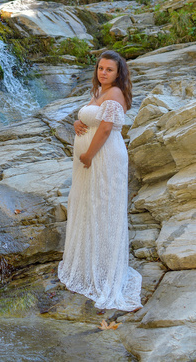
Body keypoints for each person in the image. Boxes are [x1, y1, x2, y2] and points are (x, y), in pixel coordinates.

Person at [58, 50, 142, 311]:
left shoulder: (115, 93)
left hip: (102, 158)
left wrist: (88, 155)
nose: (103, 73)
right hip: (91, 159)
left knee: (103, 208)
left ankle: (105, 271)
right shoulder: (99, 92)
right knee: (88, 206)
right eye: (101, 68)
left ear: (119, 74)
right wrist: (77, 124)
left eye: (109, 70)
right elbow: (92, 118)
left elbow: (106, 128)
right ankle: (88, 263)